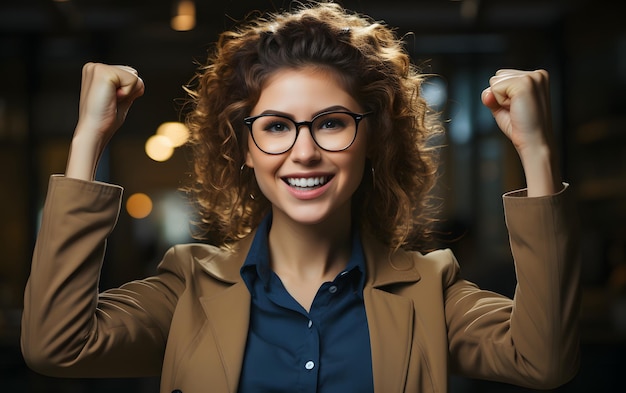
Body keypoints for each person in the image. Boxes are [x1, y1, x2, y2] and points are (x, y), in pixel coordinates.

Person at [21, 1, 581, 392]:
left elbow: (543, 360)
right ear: (243, 146)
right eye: (276, 126)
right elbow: (57, 345)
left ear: (372, 140)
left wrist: (535, 149)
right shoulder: (187, 286)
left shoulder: (431, 290)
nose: (304, 152)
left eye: (331, 123)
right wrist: (87, 140)